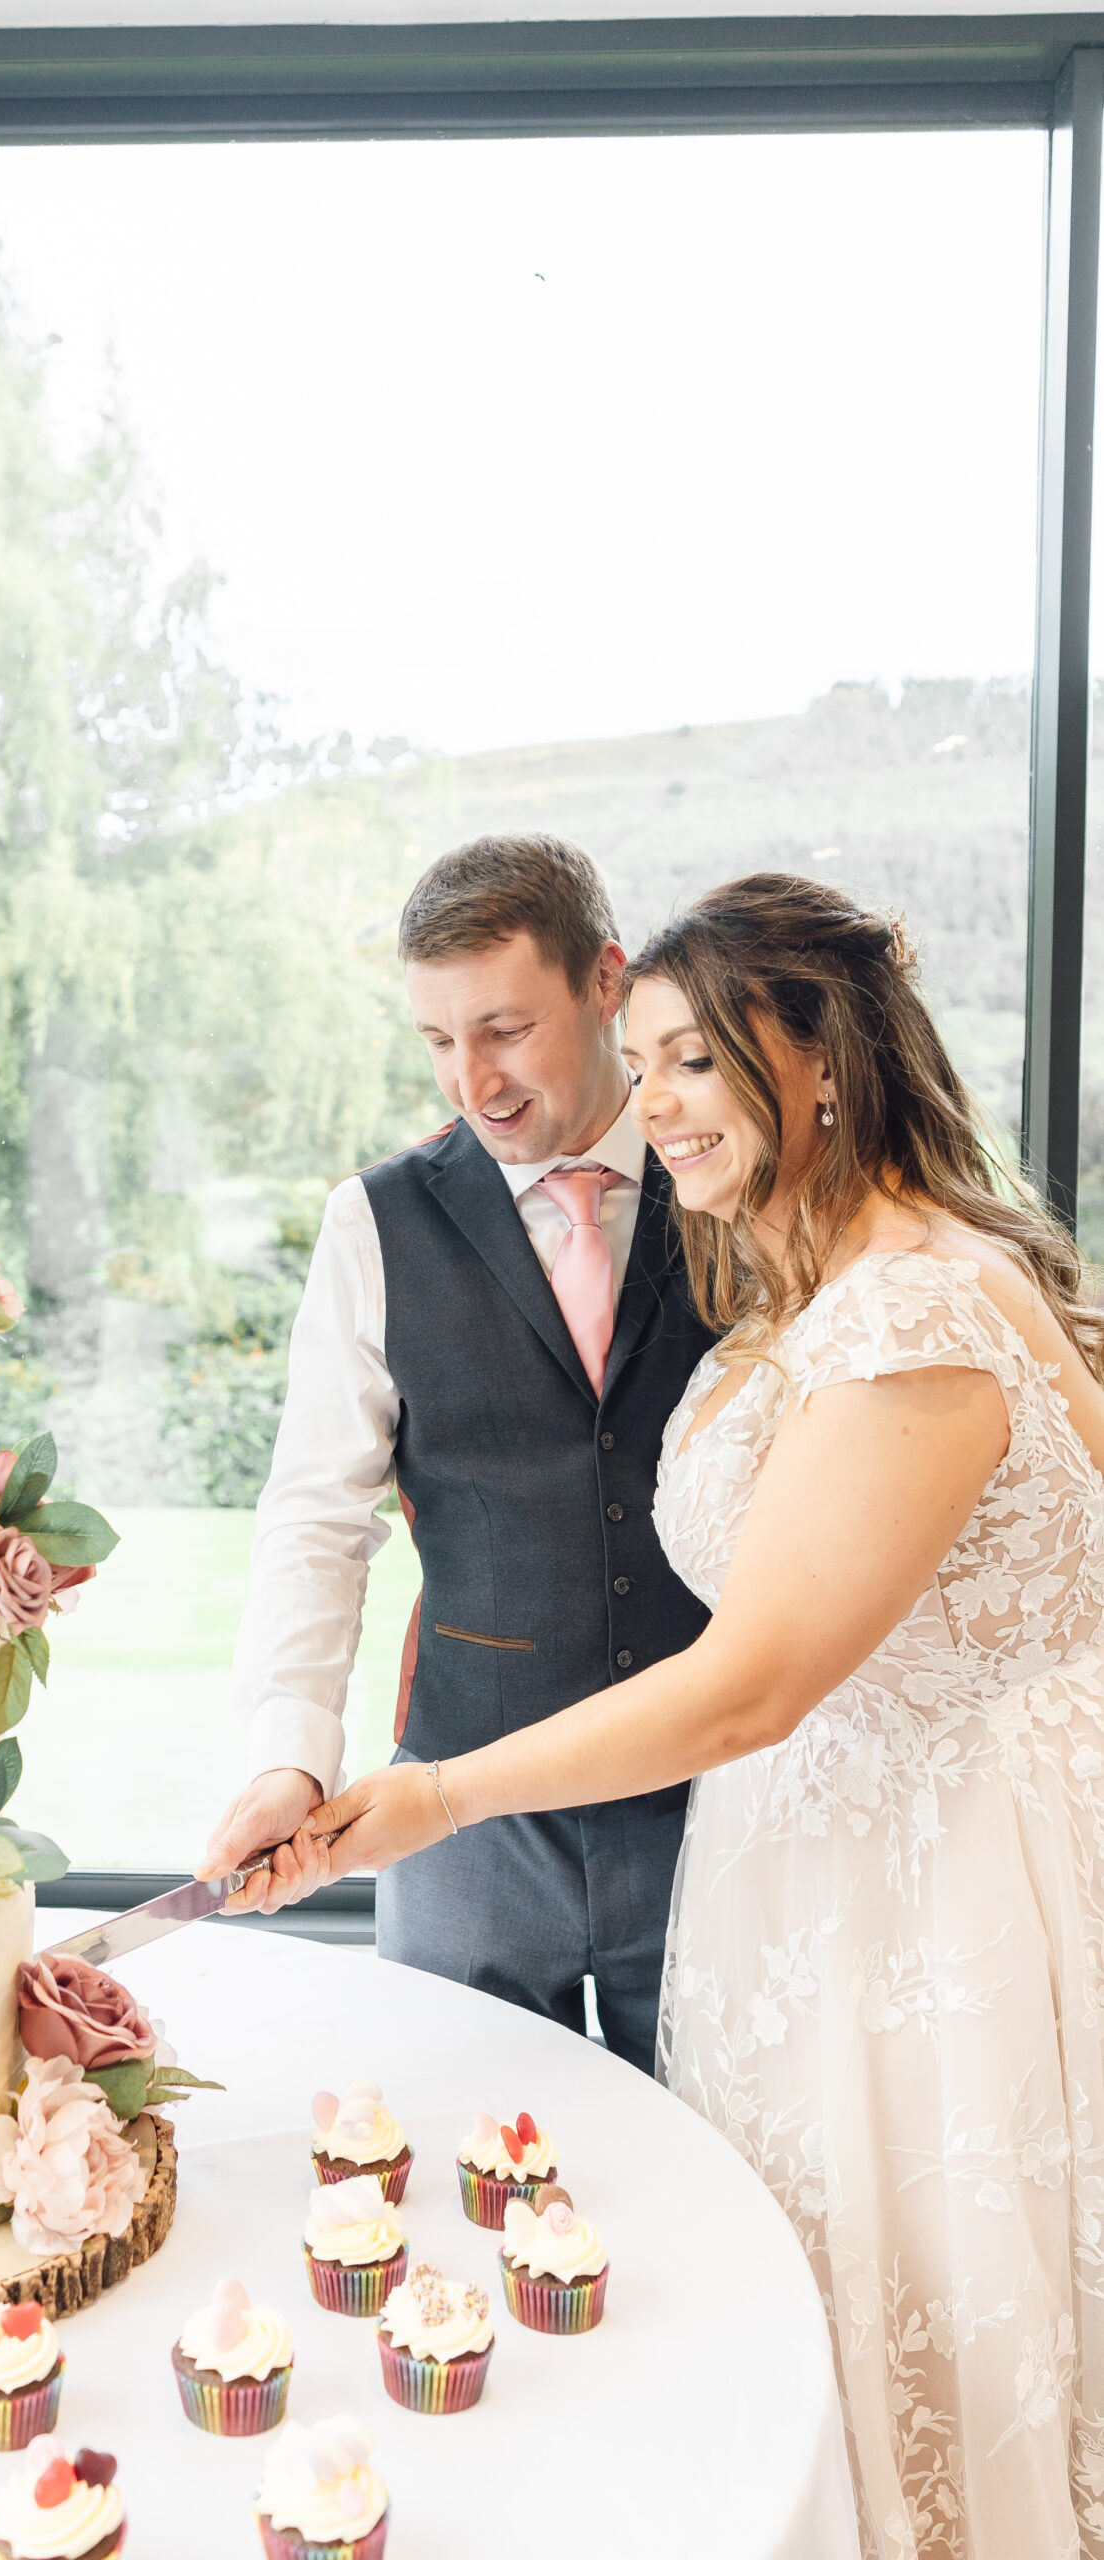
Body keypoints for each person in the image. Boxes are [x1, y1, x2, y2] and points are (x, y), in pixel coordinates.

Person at [278, 871, 1104, 2557]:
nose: (647, 1107)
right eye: (642, 1067)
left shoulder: (915, 1314)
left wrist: (431, 1795)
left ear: (812, 1058)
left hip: (932, 1905)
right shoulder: (808, 1275)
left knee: (928, 2334)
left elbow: (754, 1686)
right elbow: (316, 1512)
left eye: (686, 1063)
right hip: (810, 1890)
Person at [196, 831, 715, 2072]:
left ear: (606, 980)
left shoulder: (730, 1186)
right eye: (436, 1040)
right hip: (463, 1815)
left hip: (718, 1803)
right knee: (456, 2184)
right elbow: (318, 1516)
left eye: (503, 1028)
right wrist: (287, 1754)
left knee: (724, 2177)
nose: (470, 1081)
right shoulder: (372, 1222)